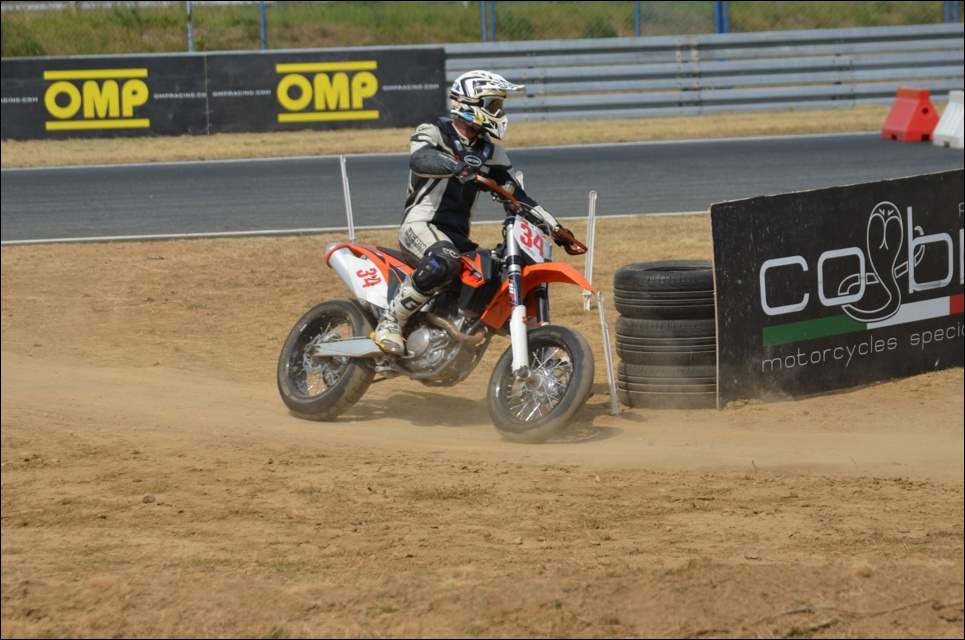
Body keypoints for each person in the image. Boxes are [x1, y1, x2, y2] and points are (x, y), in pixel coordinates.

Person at [372, 69, 571, 355]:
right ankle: (391, 321)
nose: (498, 112)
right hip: (420, 225)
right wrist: (456, 166)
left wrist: (556, 228)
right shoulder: (433, 132)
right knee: (445, 260)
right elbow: (420, 159)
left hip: (458, 238)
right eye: (493, 105)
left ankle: (536, 355)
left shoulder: (491, 153)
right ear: (469, 104)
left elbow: (517, 196)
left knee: (496, 273)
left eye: (498, 105)